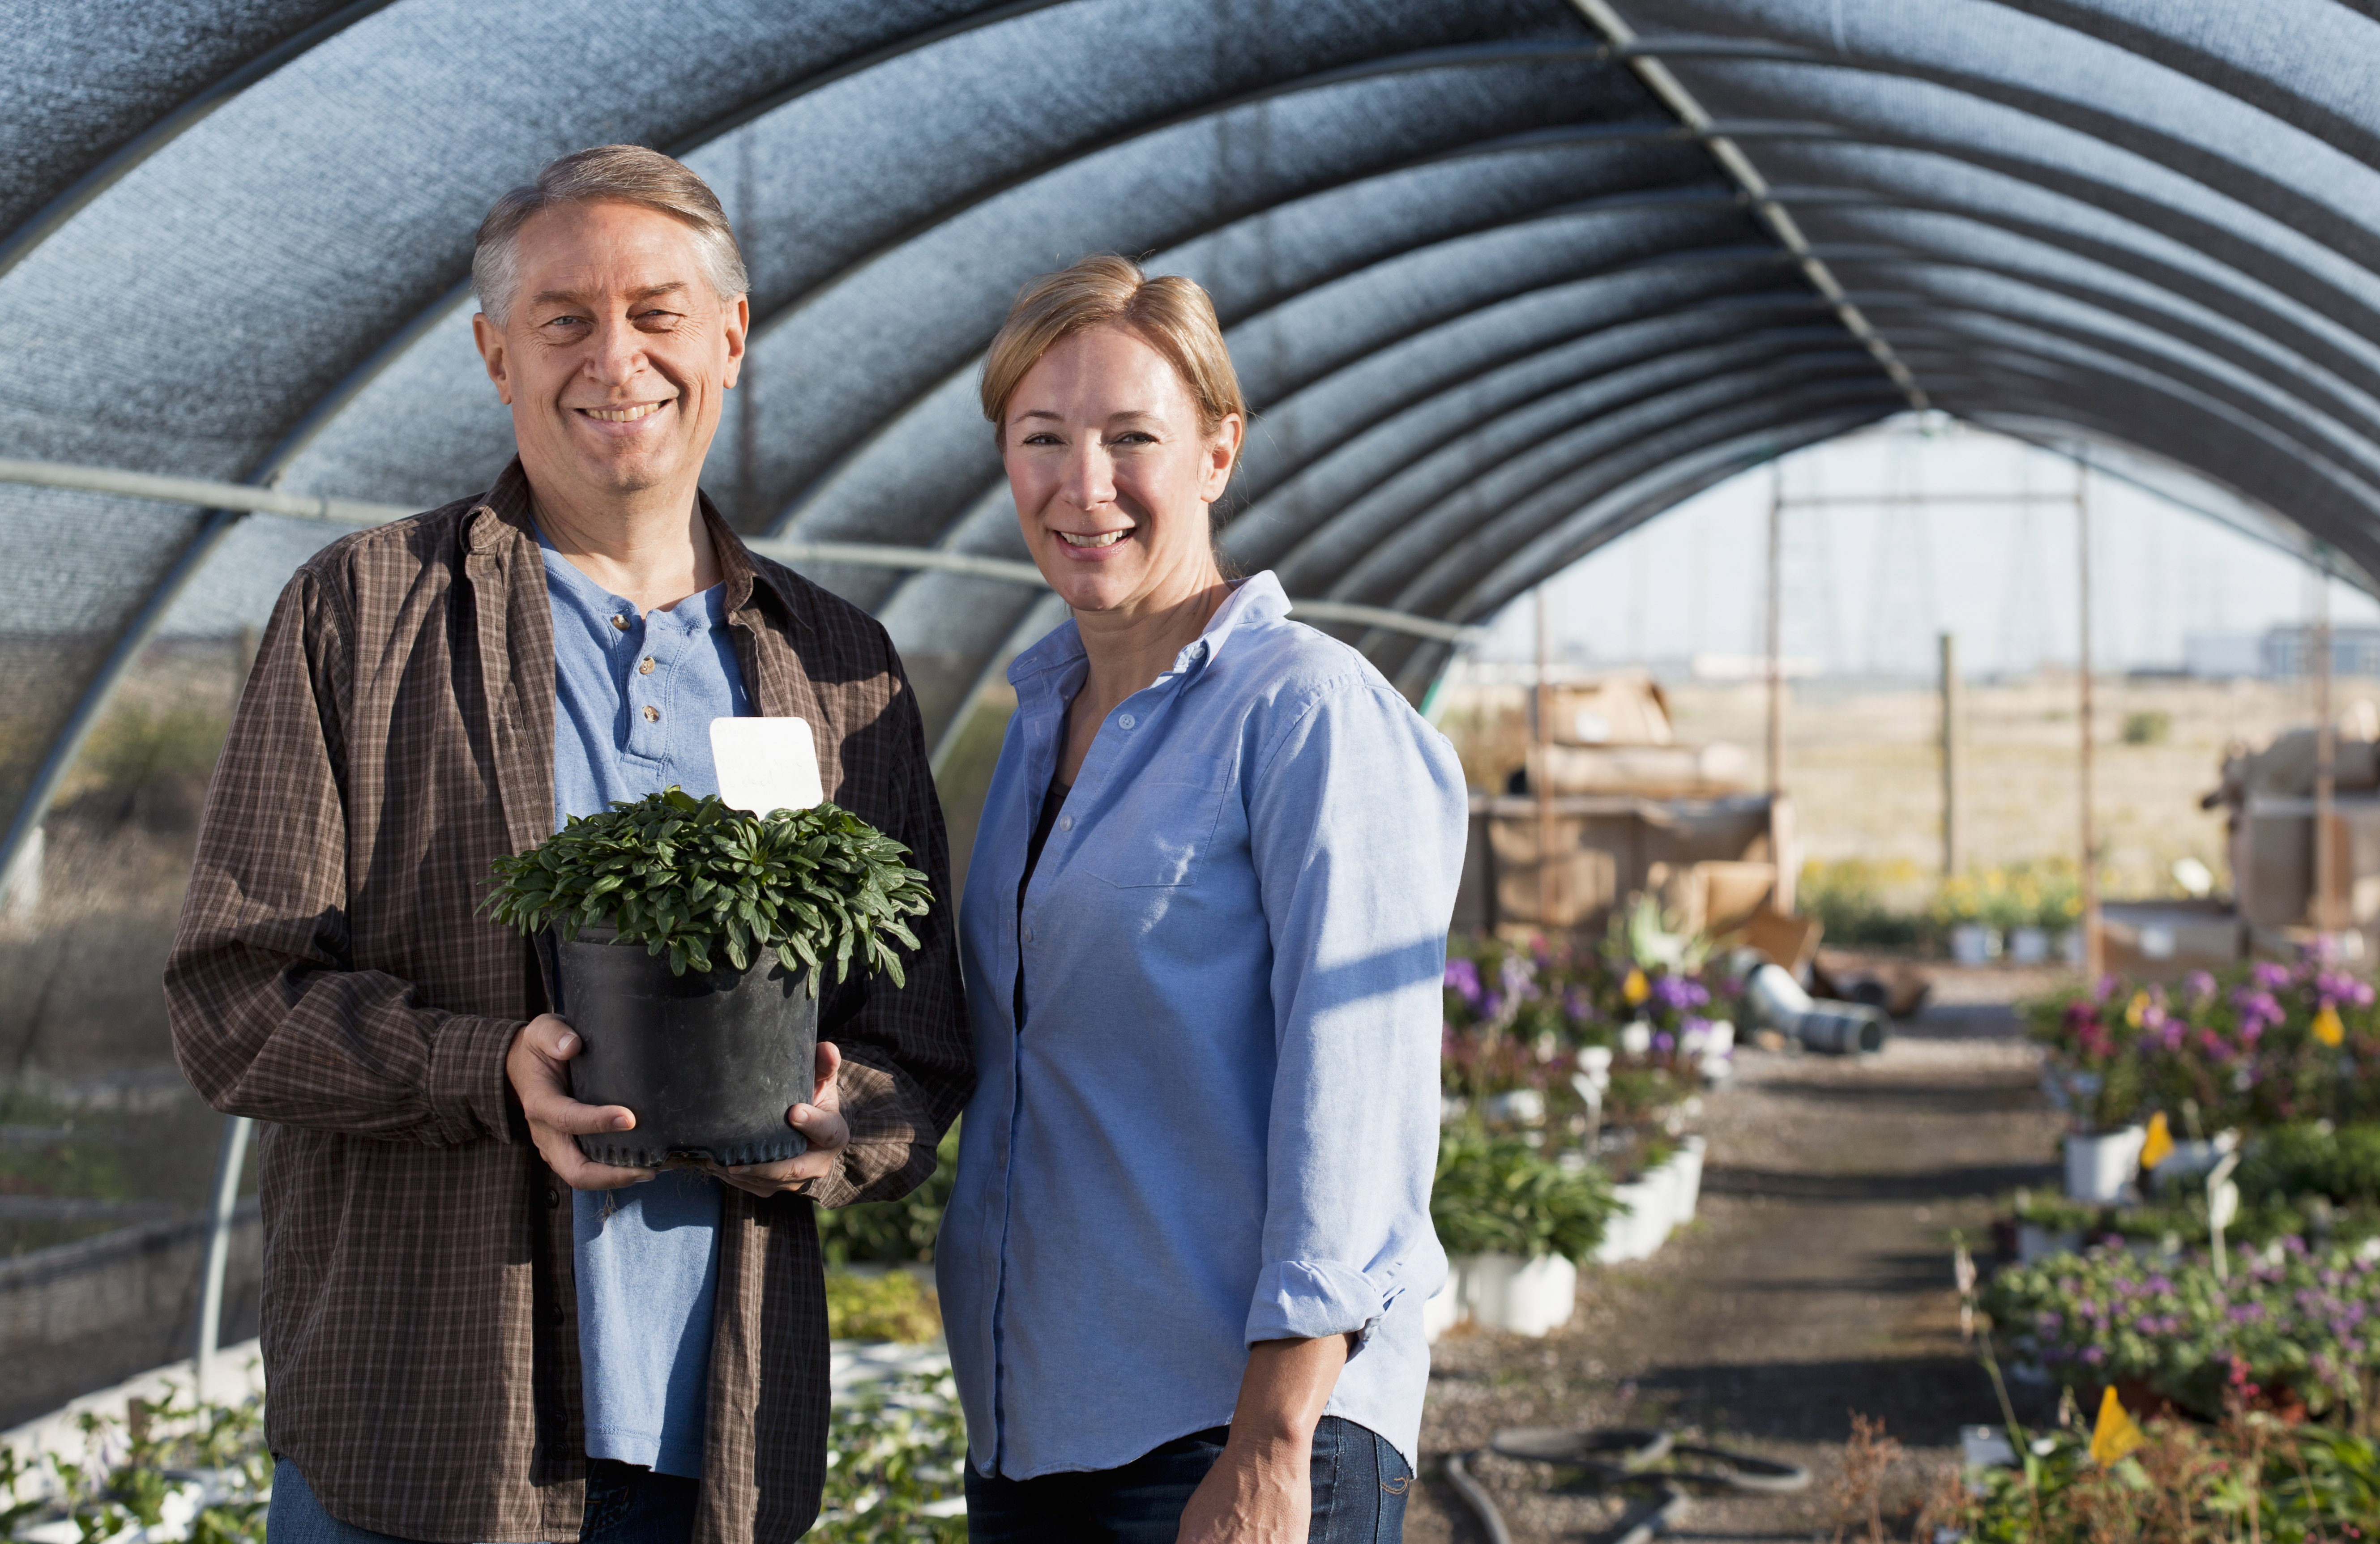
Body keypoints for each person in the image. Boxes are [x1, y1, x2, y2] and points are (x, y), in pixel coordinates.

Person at [165, 145, 970, 1544]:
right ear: (495, 354)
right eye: (565, 320)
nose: (618, 359)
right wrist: (483, 1066)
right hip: (419, 1441)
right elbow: (234, 998)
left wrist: (837, 1129)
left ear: (730, 337)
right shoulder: (365, 618)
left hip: (717, 1454)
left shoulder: (838, 668)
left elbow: (922, 1040)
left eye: (659, 314)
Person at [937, 255, 1468, 1543]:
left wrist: (1274, 1445)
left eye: (1134, 439)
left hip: (1228, 1438)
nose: (1086, 486)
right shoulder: (1040, 722)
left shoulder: (1306, 712)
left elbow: (1359, 1087)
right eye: (1043, 440)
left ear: (1219, 450)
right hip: (1034, 1428)